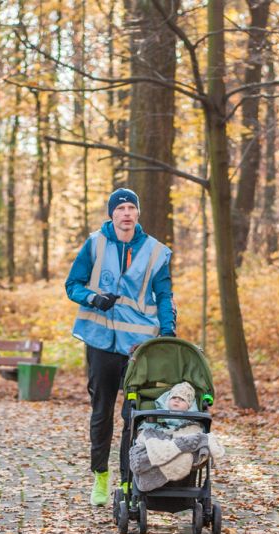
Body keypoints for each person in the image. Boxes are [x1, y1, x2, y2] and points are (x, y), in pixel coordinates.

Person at [65, 188, 176, 506]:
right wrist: (92, 298)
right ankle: (100, 477)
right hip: (100, 342)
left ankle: (129, 483)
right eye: (121, 208)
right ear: (112, 214)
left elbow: (165, 296)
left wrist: (167, 332)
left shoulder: (155, 251)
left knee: (135, 415)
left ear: (138, 213)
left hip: (137, 346)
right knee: (101, 412)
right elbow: (72, 284)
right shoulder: (95, 243)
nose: (126, 213)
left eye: (131, 207)